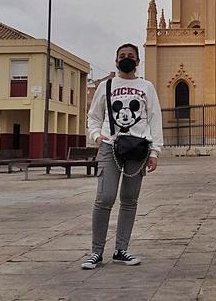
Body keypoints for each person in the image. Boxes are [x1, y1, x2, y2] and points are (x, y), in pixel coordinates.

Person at [81, 44, 163, 269]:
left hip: (138, 148)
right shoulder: (106, 86)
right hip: (110, 147)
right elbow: (94, 117)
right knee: (104, 198)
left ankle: (121, 250)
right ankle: (96, 252)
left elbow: (154, 119)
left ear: (138, 61)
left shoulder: (146, 87)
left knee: (129, 200)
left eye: (131, 56)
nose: (126, 59)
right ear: (116, 61)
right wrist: (98, 137)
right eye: (122, 56)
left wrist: (155, 151)